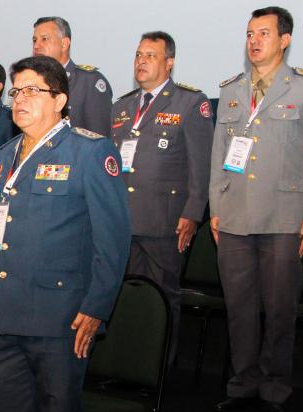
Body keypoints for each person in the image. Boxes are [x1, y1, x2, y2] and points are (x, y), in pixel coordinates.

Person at [0, 55, 130, 412]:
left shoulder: (90, 152)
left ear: (60, 100)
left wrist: (97, 307)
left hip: (60, 317)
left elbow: (113, 240)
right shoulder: (3, 156)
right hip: (4, 314)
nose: (19, 100)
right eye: (15, 91)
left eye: (31, 91)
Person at [210, 6, 303, 412]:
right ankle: (243, 382)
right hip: (233, 216)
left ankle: (275, 388)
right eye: (249, 33)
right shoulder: (231, 89)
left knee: (280, 307)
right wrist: (216, 206)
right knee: (240, 306)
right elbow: (219, 156)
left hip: (285, 215)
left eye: (263, 33)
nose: (254, 40)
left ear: (285, 39)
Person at [109, 31, 213, 365]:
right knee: (122, 295)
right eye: (138, 55)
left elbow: (202, 164)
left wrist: (193, 213)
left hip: (164, 221)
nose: (141, 61)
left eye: (150, 55)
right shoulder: (122, 107)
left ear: (169, 62)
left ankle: (157, 368)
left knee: (161, 297)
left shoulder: (189, 103)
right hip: (122, 220)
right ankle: (125, 364)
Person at [32, 16, 112, 136]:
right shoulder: (31, 83)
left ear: (64, 44)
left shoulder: (89, 82)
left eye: (44, 39)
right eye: (34, 40)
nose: (36, 46)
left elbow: (99, 140)